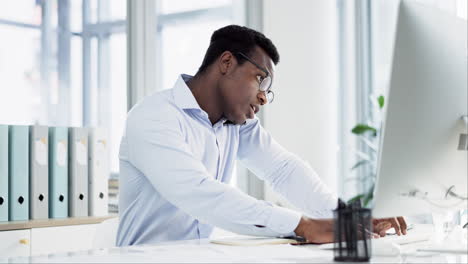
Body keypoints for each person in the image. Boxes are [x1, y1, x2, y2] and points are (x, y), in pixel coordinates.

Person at [116, 25, 406, 246]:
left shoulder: (235, 124)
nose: (264, 97)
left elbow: (283, 170)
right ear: (227, 63)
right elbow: (198, 192)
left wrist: (349, 218)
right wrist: (302, 225)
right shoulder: (155, 116)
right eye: (260, 79)